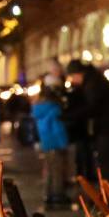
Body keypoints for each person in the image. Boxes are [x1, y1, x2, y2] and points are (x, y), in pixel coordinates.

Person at [65, 60, 109, 183]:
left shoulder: (93, 83)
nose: (73, 80)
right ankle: (107, 187)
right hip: (105, 123)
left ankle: (108, 189)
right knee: (104, 158)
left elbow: (93, 106)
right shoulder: (92, 80)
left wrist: (72, 115)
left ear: (78, 73)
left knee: (104, 159)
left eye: (73, 76)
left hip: (106, 125)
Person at [32, 77, 70, 208]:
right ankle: (58, 194)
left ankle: (48, 194)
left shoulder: (39, 106)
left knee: (49, 168)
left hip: (47, 141)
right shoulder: (54, 107)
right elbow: (57, 126)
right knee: (57, 169)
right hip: (56, 141)